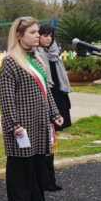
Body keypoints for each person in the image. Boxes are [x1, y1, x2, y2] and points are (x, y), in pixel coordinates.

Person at [0, 17, 63, 201]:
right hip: (22, 127)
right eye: (33, 32)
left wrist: (55, 113)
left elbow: (46, 91)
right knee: (20, 171)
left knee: (37, 168)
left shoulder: (35, 58)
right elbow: (6, 98)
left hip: (40, 123)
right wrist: (14, 124)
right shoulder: (10, 61)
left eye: (37, 32)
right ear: (19, 35)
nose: (38, 36)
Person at [36, 24, 72, 192]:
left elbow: (61, 77)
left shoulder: (54, 53)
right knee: (45, 140)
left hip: (59, 96)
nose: (48, 38)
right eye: (45, 35)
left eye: (51, 35)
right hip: (46, 97)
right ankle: (44, 179)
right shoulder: (36, 54)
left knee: (52, 140)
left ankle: (49, 179)